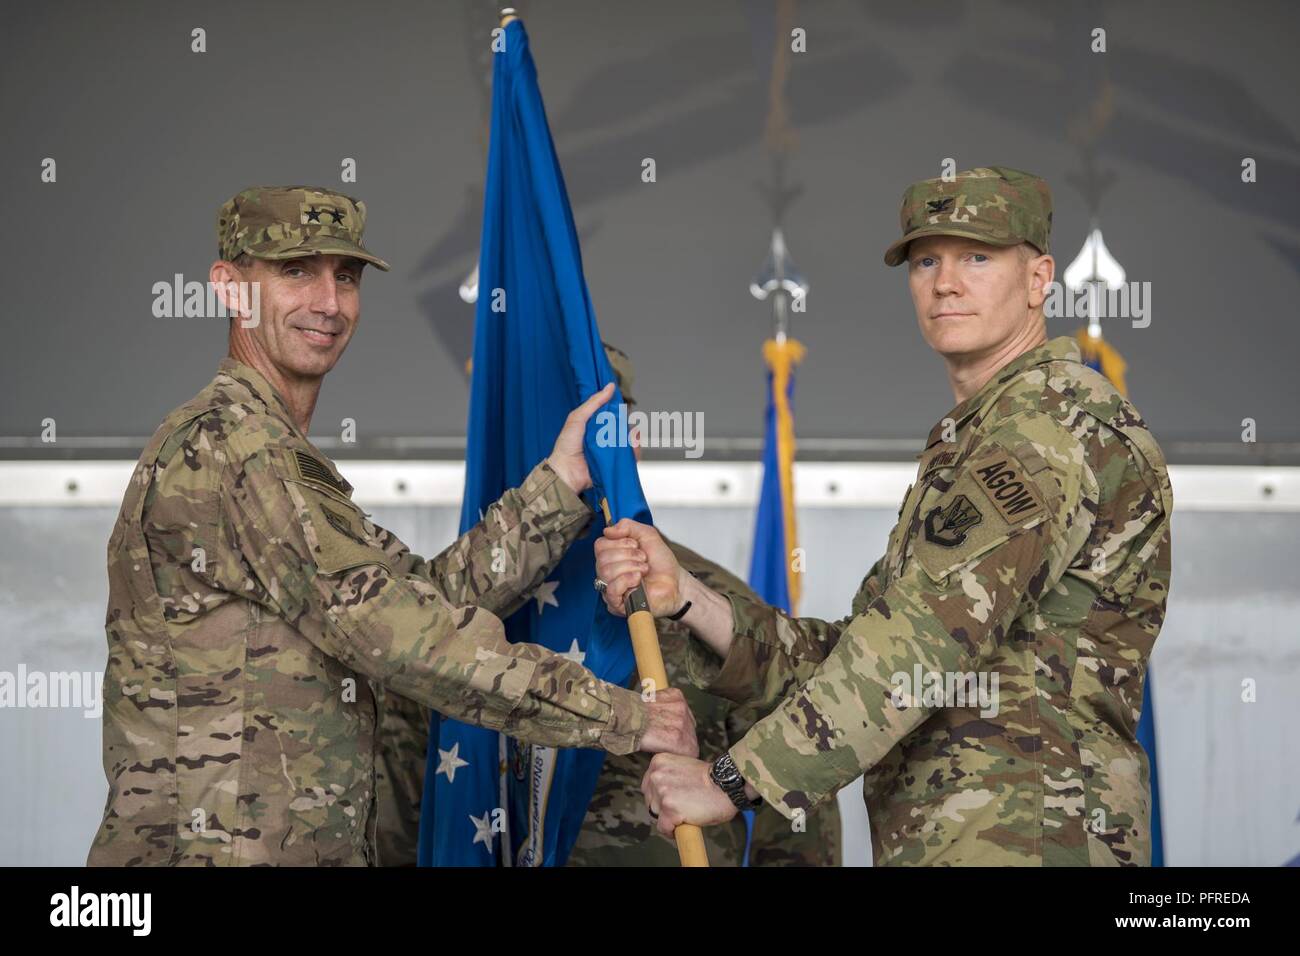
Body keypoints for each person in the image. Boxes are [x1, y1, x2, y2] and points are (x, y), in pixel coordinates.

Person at [88, 185, 695, 867]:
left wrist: (561, 485)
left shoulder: (279, 456)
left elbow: (426, 597)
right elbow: (405, 641)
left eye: (345, 277)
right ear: (231, 289)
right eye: (296, 272)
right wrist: (625, 716)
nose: (328, 302)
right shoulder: (233, 451)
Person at [597, 166, 1174, 866]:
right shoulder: (981, 437)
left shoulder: (1047, 430)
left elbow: (918, 648)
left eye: (978, 257)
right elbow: (856, 657)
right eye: (927, 260)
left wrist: (729, 779)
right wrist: (687, 599)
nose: (946, 283)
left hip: (1033, 842)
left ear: (1038, 278)